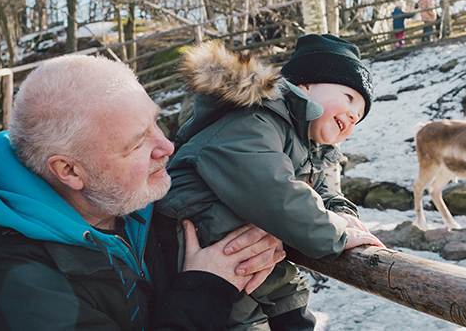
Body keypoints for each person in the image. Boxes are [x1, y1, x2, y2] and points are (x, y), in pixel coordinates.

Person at [0, 55, 285, 331]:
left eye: (156, 122)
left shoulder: (123, 200)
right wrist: (205, 290)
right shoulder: (18, 294)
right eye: (138, 142)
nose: (166, 146)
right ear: (70, 171)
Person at [156, 34, 385, 331]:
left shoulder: (309, 148)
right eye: (349, 98)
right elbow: (273, 192)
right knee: (244, 318)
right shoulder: (256, 119)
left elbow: (322, 190)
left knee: (292, 307)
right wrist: (335, 232)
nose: (354, 116)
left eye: (359, 117)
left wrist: (343, 214)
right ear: (305, 86)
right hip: (198, 242)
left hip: (247, 249)